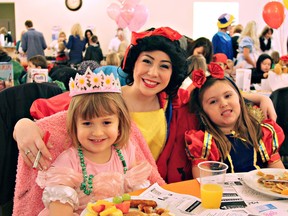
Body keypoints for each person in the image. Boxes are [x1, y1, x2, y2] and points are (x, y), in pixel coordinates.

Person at [13, 27, 277, 184]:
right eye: (147, 62)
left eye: (165, 66)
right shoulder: (105, 96)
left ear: (173, 74)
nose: (153, 73)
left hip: (159, 198)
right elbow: (45, 110)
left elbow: (214, 92)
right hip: (103, 198)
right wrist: (22, 125)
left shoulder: (176, 104)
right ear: (134, 63)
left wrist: (259, 97)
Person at [32, 69, 160, 215]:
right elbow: (59, 208)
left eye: (106, 122)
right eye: (87, 123)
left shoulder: (126, 152)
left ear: (120, 123)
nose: (97, 132)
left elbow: (138, 196)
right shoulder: (69, 161)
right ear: (74, 126)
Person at [185, 63, 285, 178]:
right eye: (213, 101)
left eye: (227, 96)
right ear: (203, 112)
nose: (223, 104)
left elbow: (280, 177)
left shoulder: (262, 134)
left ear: (239, 98)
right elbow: (203, 184)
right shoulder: (204, 144)